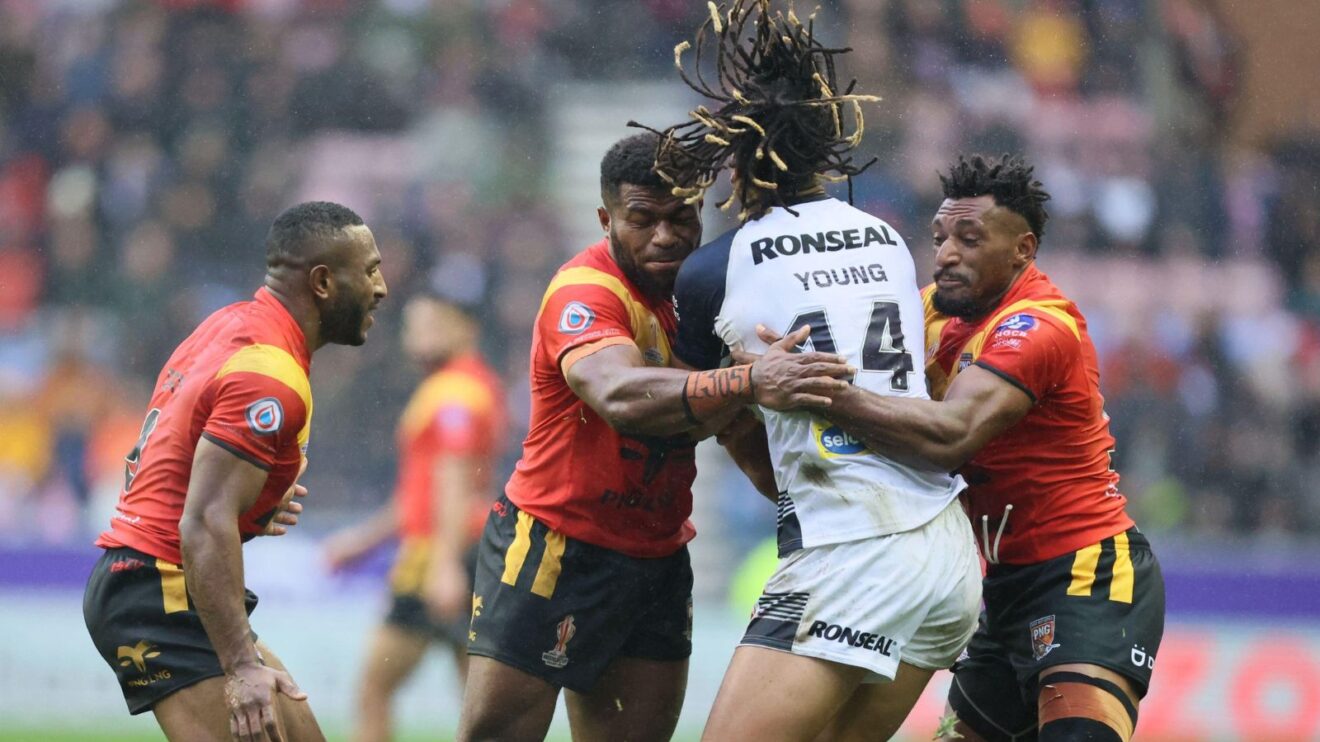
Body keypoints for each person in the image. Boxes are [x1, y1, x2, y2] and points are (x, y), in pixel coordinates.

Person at [647, 3, 983, 740]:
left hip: (851, 551)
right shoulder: (888, 237)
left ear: (736, 157)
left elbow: (701, 413)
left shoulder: (713, 271)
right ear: (825, 144)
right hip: (948, 557)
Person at [752, 154, 1166, 742]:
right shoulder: (928, 312)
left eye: (970, 240)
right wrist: (761, 365)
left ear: (1022, 249)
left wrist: (813, 390)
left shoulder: (1039, 327)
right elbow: (854, 379)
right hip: (999, 588)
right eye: (941, 236)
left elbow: (949, 436)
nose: (946, 253)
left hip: (1086, 575)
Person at [455, 132, 853, 742]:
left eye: (681, 217)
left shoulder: (700, 300)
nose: (665, 237)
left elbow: (738, 432)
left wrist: (831, 520)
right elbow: (618, 394)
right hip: (556, 545)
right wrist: (747, 378)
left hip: (658, 557)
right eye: (642, 220)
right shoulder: (585, 293)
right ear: (605, 218)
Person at [83, 201, 388, 742]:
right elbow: (202, 521)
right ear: (321, 282)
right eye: (368, 271)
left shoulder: (230, 324)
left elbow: (181, 465)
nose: (381, 287)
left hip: (161, 581)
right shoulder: (269, 375)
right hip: (159, 589)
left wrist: (245, 505)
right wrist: (241, 665)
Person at [323, 294, 506, 742]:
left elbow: (453, 480)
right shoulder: (469, 385)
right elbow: (423, 494)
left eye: (428, 325)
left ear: (464, 327)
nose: (414, 337)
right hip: (469, 550)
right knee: (477, 698)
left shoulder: (454, 393)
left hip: (439, 555)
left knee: (374, 687)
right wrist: (365, 541)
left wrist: (442, 564)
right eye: (411, 326)